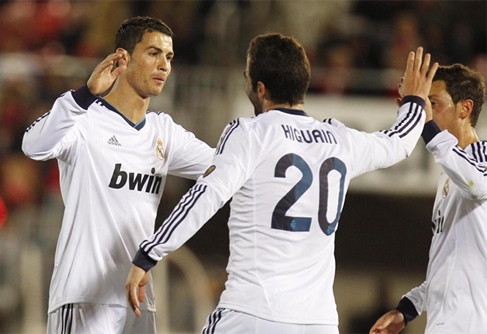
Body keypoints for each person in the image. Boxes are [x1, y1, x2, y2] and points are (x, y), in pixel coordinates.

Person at [126, 33, 437, 334]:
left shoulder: (251, 133)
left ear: (259, 88)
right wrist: (414, 100)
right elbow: (398, 143)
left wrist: (150, 252)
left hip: (253, 313)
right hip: (320, 322)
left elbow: (206, 195)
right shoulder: (340, 140)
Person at [22, 16, 214, 334]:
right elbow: (33, 145)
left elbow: (224, 169)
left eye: (168, 57)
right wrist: (85, 94)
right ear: (122, 58)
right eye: (153, 53)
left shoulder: (164, 131)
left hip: (137, 300)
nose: (164, 65)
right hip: (83, 297)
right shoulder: (85, 119)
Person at [370, 64, 487, 334]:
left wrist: (425, 124)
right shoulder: (448, 177)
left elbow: (476, 185)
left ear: (464, 109)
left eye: (433, 103)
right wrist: (407, 309)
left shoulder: (480, 160)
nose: (427, 112)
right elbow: (447, 264)